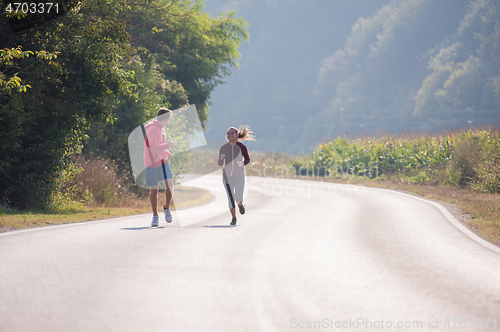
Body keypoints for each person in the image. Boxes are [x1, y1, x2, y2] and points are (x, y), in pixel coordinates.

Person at [218, 126, 255, 225]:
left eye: (232, 133)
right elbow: (219, 164)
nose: (230, 135)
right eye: (228, 134)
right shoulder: (223, 148)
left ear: (237, 135)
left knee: (238, 197)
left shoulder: (242, 147)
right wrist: (221, 158)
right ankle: (234, 218)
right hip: (227, 177)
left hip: (239, 176)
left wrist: (242, 164)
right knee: (230, 198)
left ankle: (240, 204)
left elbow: (247, 159)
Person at [144, 108, 175, 227]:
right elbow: (153, 147)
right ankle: (155, 216)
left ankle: (166, 208)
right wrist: (168, 145)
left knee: (170, 185)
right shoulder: (153, 129)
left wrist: (166, 152)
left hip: (162, 161)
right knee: (154, 190)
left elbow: (158, 147)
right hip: (151, 163)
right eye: (169, 118)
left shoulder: (161, 128)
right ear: (166, 119)